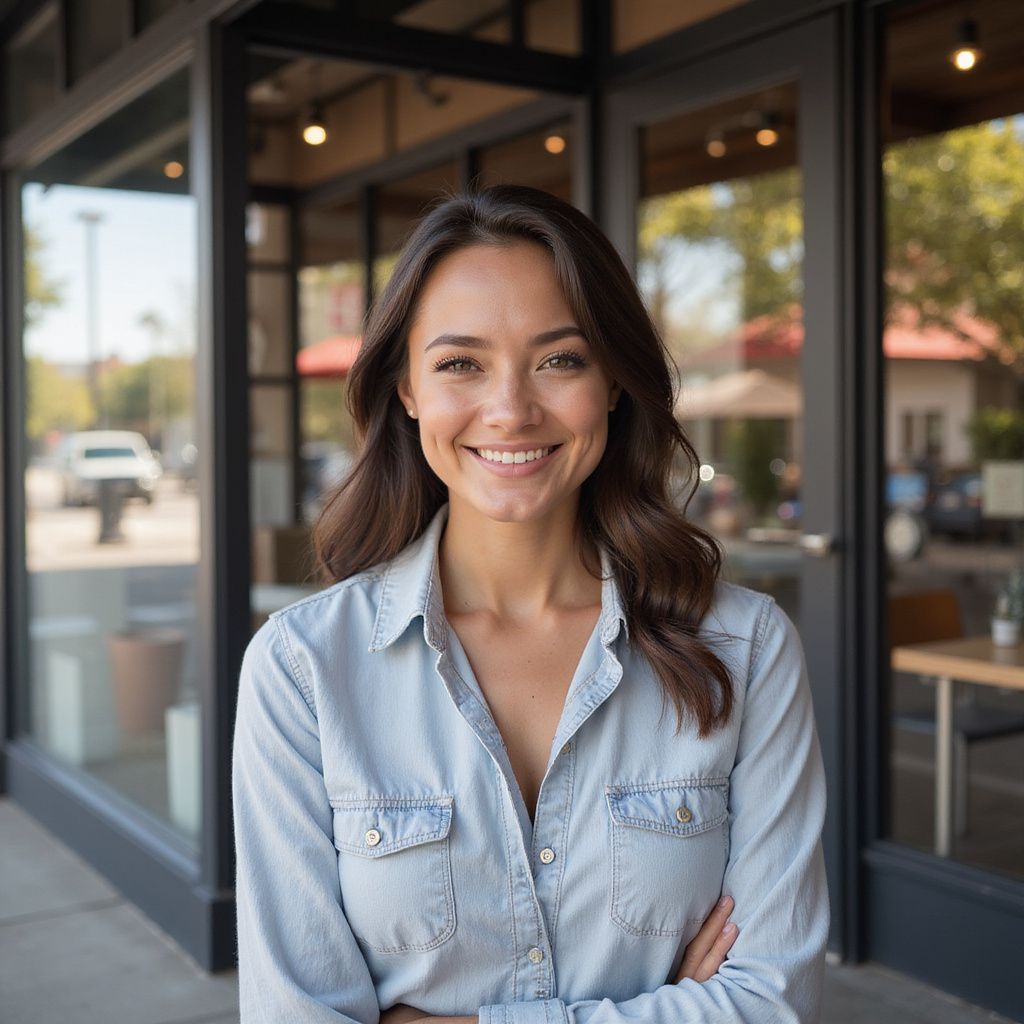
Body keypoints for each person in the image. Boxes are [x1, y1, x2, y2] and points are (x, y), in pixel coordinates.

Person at [232, 184, 829, 1023]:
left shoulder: (745, 649)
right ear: (406, 389)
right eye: (460, 363)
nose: (511, 409)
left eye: (560, 359)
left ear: (614, 382)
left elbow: (775, 1004)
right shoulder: (303, 670)